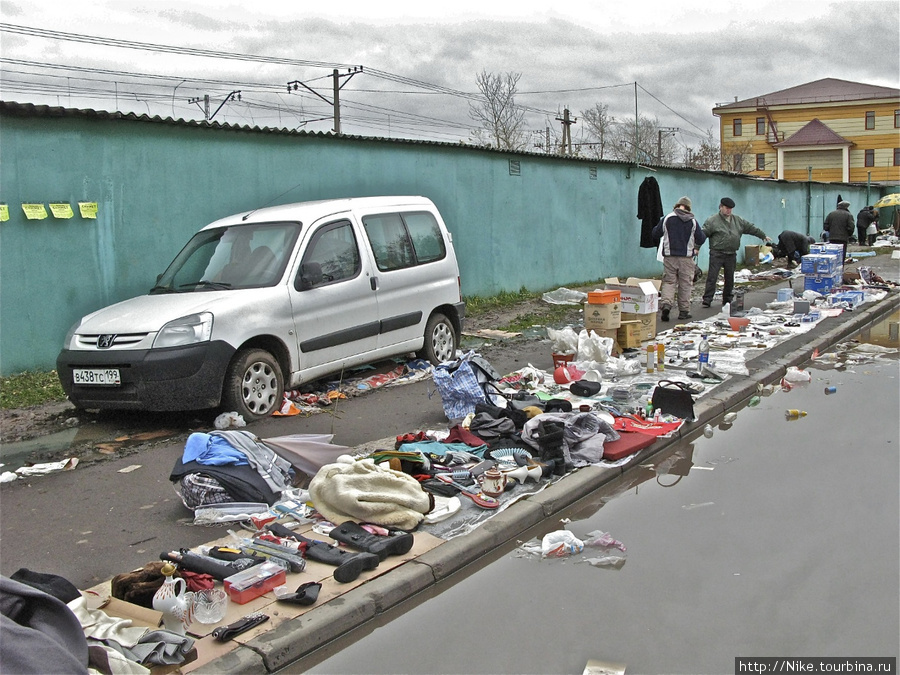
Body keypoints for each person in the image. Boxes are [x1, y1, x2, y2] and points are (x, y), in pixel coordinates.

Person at [701, 197, 771, 308]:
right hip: (717, 253)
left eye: (731, 209)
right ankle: (707, 299)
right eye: (727, 208)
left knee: (729, 277)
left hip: (731, 253)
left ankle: (727, 299)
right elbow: (703, 234)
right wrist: (696, 247)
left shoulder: (737, 220)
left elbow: (750, 227)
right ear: (721, 207)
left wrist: (762, 235)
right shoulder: (712, 221)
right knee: (712, 277)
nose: (729, 211)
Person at [651, 196, 706, 322]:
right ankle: (684, 311)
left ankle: (666, 305)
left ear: (677, 206)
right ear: (688, 208)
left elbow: (655, 233)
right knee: (685, 284)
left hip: (669, 257)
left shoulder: (667, 218)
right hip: (686, 258)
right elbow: (701, 238)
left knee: (669, 282)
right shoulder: (693, 221)